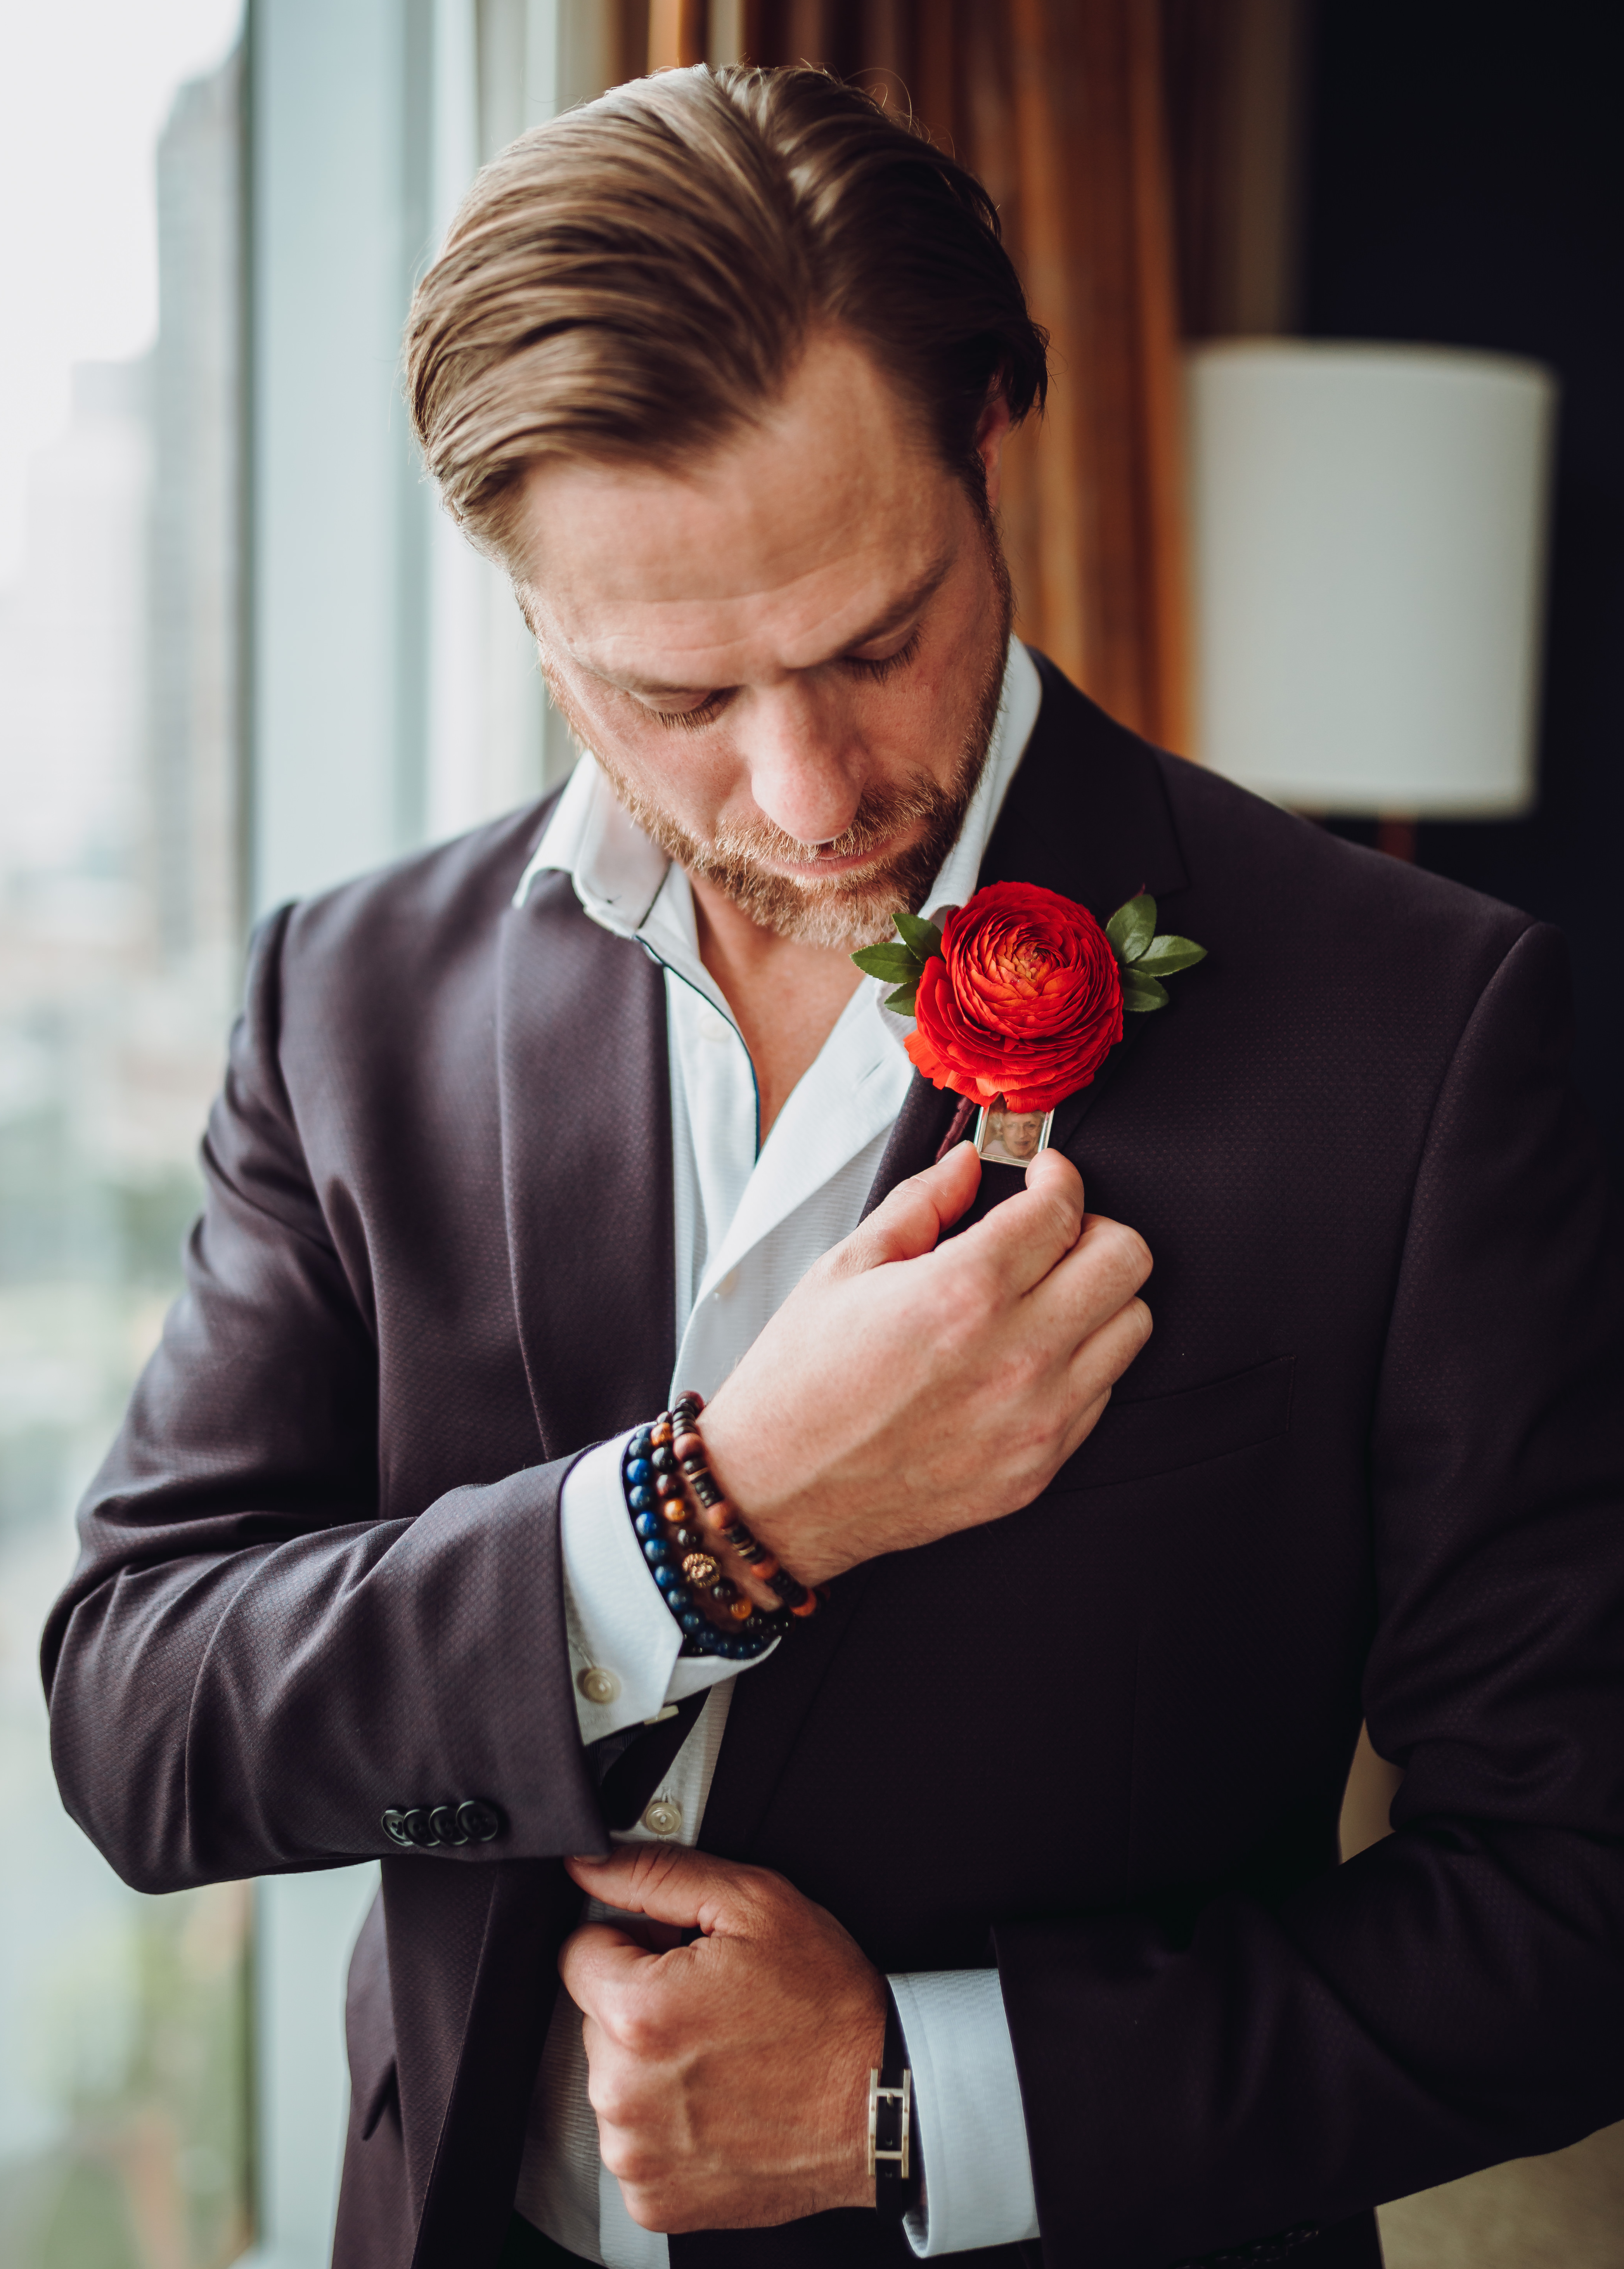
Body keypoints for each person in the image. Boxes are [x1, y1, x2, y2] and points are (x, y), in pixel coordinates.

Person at [42, 62, 1624, 2269]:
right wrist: (711, 1522)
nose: (805, 790)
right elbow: (140, 1717)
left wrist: (909, 2096)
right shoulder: (349, 993)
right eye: (676, 692)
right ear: (526, 613)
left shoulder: (1423, 1033)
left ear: (989, 434)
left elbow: (1572, 1914)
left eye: (877, 639)